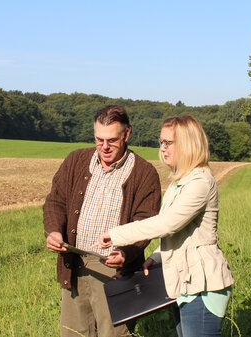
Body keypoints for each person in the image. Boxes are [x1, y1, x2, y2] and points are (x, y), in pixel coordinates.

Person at [99, 115, 234, 337]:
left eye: (168, 143)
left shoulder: (200, 182)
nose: (162, 149)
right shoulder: (178, 183)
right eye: (161, 142)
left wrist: (117, 234)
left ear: (188, 144)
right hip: (185, 284)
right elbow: (183, 235)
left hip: (203, 286)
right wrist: (157, 257)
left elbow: (168, 224)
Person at [43, 105, 162, 337]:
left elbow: (146, 221)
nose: (104, 147)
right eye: (99, 139)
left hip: (114, 272)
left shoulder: (144, 173)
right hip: (74, 264)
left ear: (127, 134)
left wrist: (126, 252)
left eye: (112, 140)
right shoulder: (76, 161)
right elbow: (55, 202)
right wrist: (54, 232)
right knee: (73, 333)